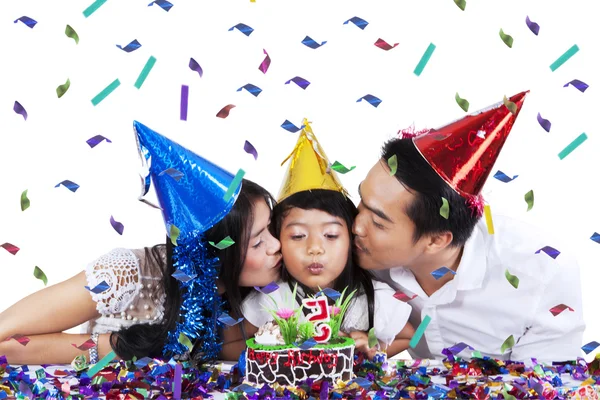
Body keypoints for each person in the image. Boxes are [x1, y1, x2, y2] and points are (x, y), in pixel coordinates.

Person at [0, 122, 282, 365]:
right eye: (257, 242)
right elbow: (6, 335)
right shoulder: (128, 273)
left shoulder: (260, 297)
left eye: (271, 228)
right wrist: (120, 345)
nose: (276, 245)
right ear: (212, 255)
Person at [353, 91, 585, 362]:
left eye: (378, 222)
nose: (355, 226)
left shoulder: (542, 272)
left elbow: (545, 386)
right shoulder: (344, 245)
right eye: (361, 201)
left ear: (437, 240)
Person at [242, 120, 414, 358]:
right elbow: (232, 343)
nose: (314, 248)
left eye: (331, 235)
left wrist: (370, 345)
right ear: (277, 239)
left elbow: (411, 336)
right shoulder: (272, 297)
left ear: (352, 239)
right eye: (298, 236)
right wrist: (269, 349)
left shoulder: (369, 297)